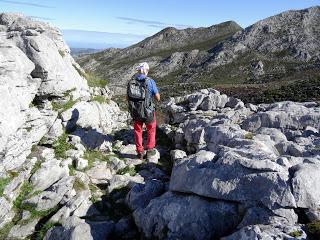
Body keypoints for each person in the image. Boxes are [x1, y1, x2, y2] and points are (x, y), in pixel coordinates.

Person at [127, 62, 160, 160]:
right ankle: (150, 149)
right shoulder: (150, 81)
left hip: (136, 111)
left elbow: (127, 97)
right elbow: (158, 98)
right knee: (151, 129)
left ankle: (139, 152)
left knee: (138, 130)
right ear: (146, 71)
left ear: (138, 70)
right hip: (148, 111)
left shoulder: (131, 81)